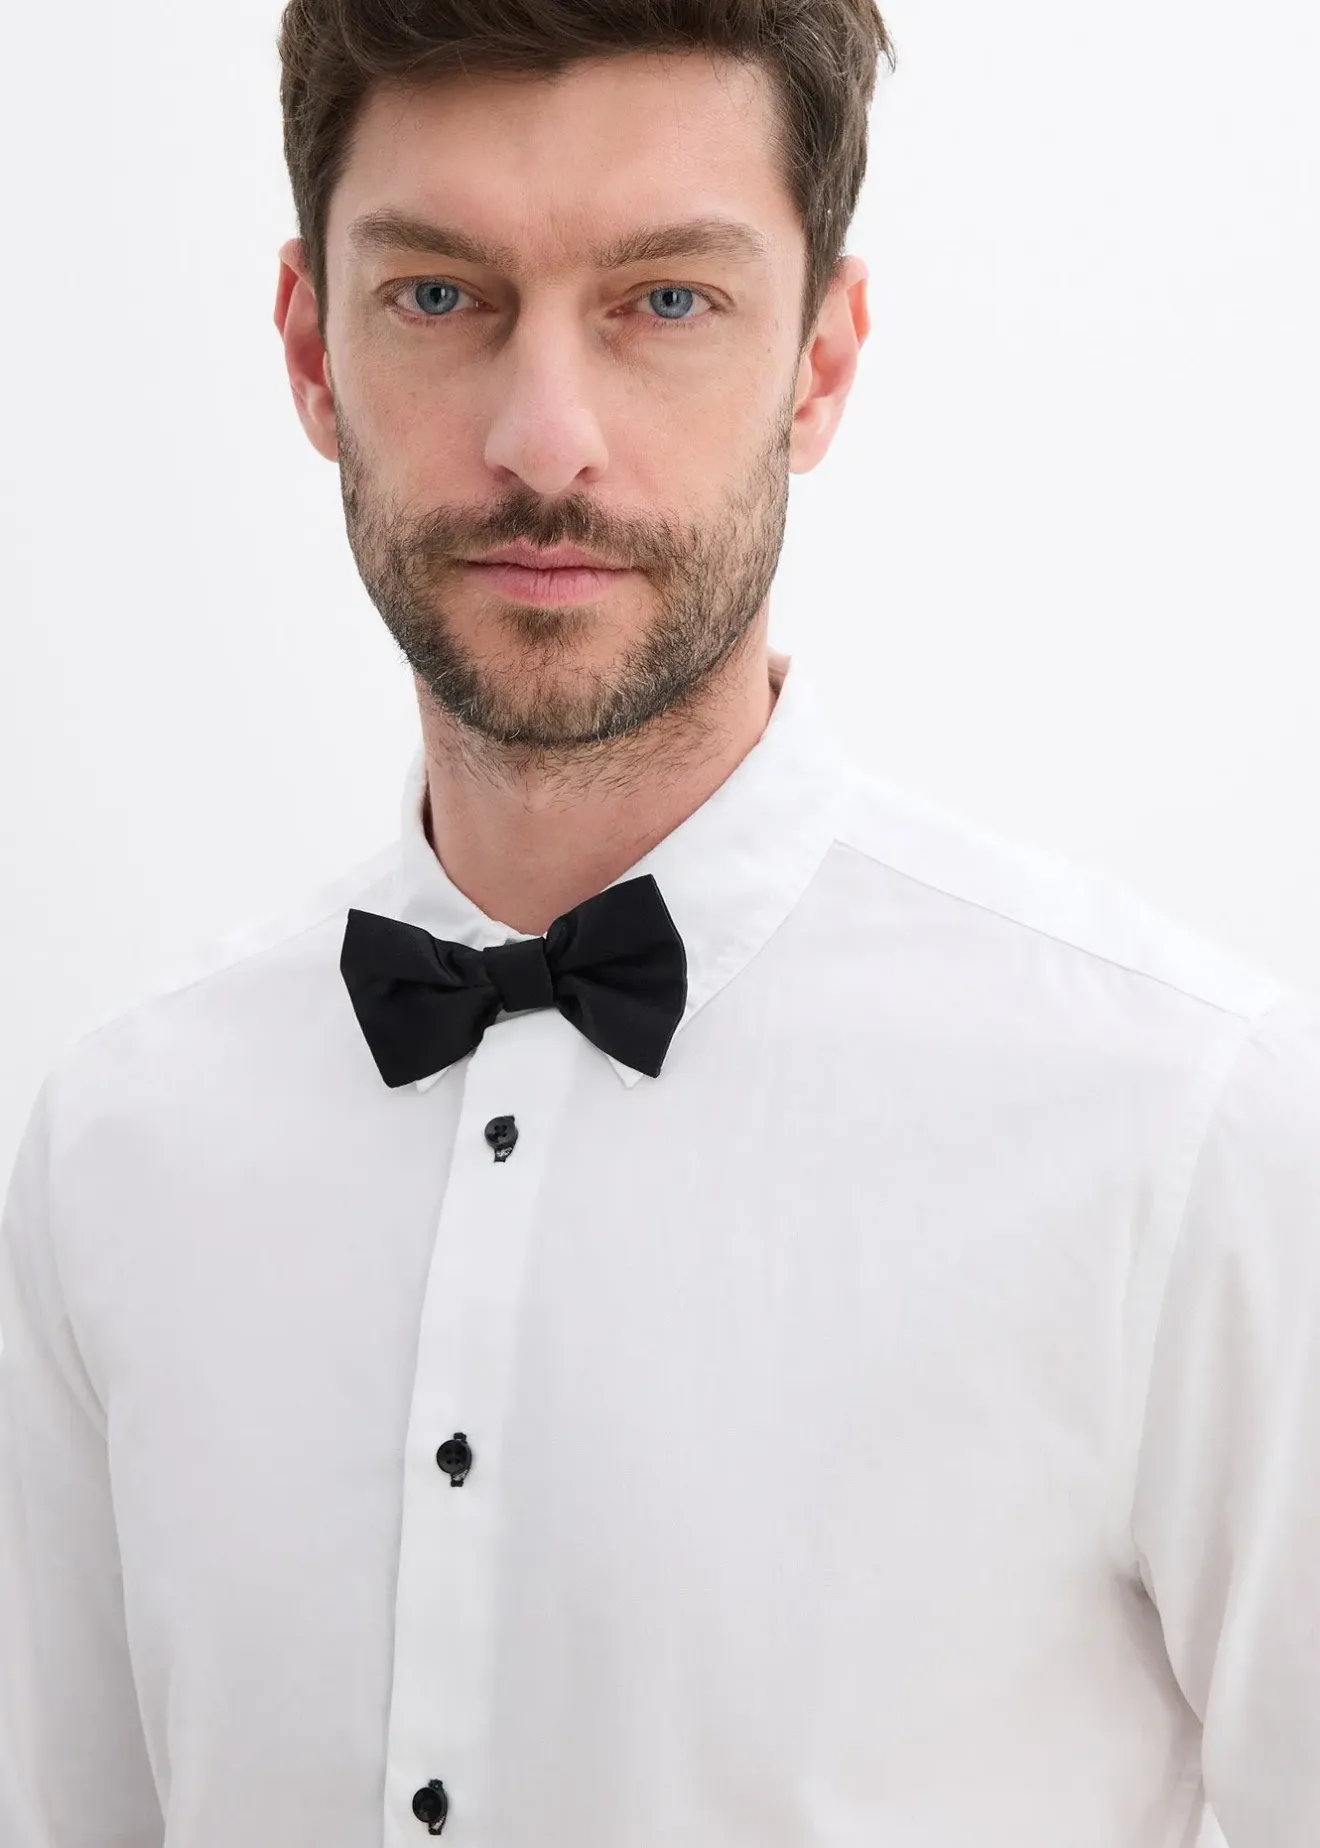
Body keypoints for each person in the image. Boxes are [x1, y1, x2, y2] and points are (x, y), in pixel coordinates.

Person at [1, 3, 1317, 1844]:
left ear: (821, 363)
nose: (546, 440)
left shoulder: (1188, 1136)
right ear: (311, 350)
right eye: (440, 296)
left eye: (666, 300)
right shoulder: (119, 1152)